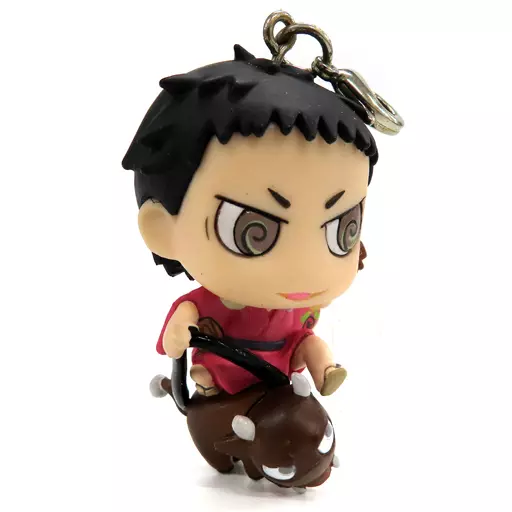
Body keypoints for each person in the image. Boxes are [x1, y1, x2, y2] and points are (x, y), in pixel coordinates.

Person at [122, 45, 378, 397]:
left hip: (285, 360)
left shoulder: (301, 306)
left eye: (341, 230)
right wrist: (179, 334)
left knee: (313, 345)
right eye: (253, 232)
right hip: (228, 360)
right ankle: (208, 384)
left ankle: (326, 372)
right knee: (215, 375)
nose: (305, 265)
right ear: (163, 229)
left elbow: (304, 329)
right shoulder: (210, 303)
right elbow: (183, 322)